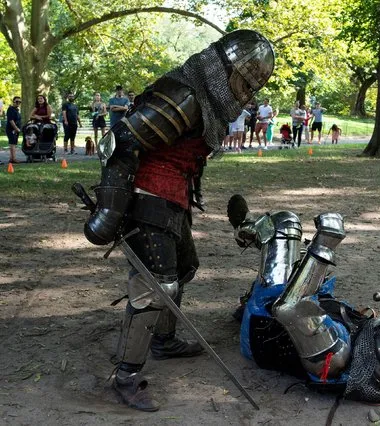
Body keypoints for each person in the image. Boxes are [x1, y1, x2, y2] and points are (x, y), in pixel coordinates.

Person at [79, 30, 274, 412]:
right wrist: (109, 211)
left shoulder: (205, 97)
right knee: (157, 287)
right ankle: (127, 377)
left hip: (173, 196)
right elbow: (121, 140)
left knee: (184, 269)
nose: (247, 92)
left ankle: (163, 341)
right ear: (227, 69)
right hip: (147, 196)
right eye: (246, 80)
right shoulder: (183, 97)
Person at [227, 195, 380, 405]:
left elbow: (290, 308)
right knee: (299, 260)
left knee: (286, 223)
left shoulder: (335, 357)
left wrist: (325, 244)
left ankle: (246, 229)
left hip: (264, 323)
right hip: (299, 311)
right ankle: (259, 263)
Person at [5, 96, 22, 163]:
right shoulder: (10, 109)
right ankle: (14, 159)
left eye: (19, 102)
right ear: (13, 101)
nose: (18, 103)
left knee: (14, 143)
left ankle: (11, 158)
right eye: (17, 101)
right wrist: (16, 128)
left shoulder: (17, 110)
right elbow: (11, 120)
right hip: (11, 129)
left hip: (15, 130)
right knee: (12, 143)